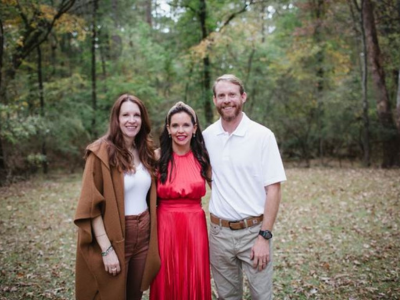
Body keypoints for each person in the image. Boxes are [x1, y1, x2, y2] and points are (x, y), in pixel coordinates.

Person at [203, 74, 286, 300]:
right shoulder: (207, 136)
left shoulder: (262, 136)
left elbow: (274, 189)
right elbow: (209, 175)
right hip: (219, 234)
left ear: (243, 97)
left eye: (232, 94)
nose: (227, 100)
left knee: (261, 296)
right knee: (227, 297)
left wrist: (264, 237)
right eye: (221, 95)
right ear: (214, 100)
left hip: (254, 232)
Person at [74, 94, 160, 300]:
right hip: (115, 233)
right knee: (111, 294)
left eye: (136, 115)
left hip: (144, 233)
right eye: (126, 115)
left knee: (134, 294)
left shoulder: (145, 151)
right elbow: (91, 206)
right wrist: (106, 250)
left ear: (143, 119)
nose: (132, 120)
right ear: (116, 119)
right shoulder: (100, 153)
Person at [150, 101, 212, 300]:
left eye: (186, 125)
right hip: (165, 226)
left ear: (194, 128)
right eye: (175, 125)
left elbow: (222, 190)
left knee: (193, 275)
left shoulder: (203, 157)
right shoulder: (157, 158)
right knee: (166, 275)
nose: (180, 130)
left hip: (195, 227)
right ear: (168, 129)